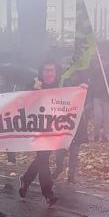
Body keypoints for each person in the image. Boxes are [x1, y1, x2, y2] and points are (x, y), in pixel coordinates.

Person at [19, 61, 63, 205]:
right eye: (46, 70)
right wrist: (34, 91)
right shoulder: (34, 84)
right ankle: (48, 193)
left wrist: (82, 89)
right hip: (37, 127)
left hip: (53, 129)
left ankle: (25, 179)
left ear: (56, 72)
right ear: (41, 72)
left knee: (42, 158)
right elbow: (23, 101)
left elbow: (72, 97)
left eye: (52, 70)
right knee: (43, 159)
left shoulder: (61, 86)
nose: (49, 73)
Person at [53, 68, 91, 184]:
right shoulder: (62, 84)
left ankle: (71, 176)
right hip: (64, 123)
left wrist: (85, 91)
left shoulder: (84, 86)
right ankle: (59, 167)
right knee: (60, 150)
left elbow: (88, 102)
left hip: (77, 124)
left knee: (74, 153)